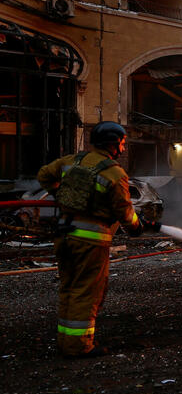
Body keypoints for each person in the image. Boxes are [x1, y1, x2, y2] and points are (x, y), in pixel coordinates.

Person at [37, 121, 159, 357]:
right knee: (87, 291)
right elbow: (125, 213)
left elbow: (44, 175)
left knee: (69, 287)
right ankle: (79, 346)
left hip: (64, 236)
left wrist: (60, 194)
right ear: (114, 144)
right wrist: (137, 227)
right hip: (90, 242)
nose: (123, 149)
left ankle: (66, 340)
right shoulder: (114, 173)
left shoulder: (71, 161)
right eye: (122, 144)